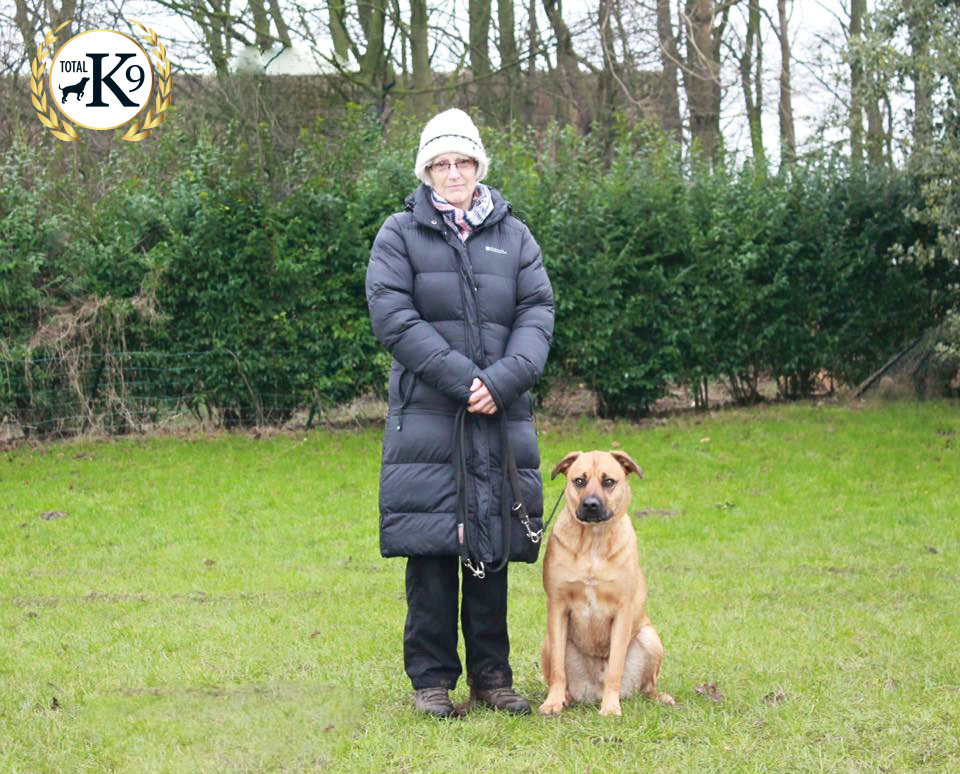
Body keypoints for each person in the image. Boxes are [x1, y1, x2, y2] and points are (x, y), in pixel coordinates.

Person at [365, 108, 554, 717]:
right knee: (433, 551)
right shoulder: (399, 234)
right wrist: (463, 379)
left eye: (463, 161)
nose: (453, 173)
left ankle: (493, 677)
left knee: (492, 543)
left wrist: (501, 381)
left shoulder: (516, 237)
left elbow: (537, 315)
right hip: (429, 420)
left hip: (499, 417)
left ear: (479, 167)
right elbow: (392, 316)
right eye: (440, 163)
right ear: (426, 170)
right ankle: (432, 682)